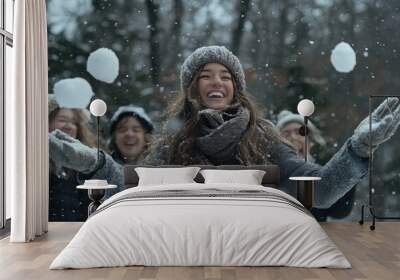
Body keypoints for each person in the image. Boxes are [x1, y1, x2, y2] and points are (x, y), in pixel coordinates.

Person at [49, 46, 400, 209]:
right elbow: (129, 188)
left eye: (225, 76)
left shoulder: (263, 136)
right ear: (192, 90)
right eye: (205, 76)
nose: (216, 82)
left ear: (236, 88)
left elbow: (320, 191)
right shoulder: (171, 142)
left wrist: (357, 147)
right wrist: (92, 162)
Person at [48, 96, 96, 221]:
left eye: (74, 122)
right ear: (46, 122)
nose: (69, 126)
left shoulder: (85, 169)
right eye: (63, 120)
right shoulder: (35, 164)